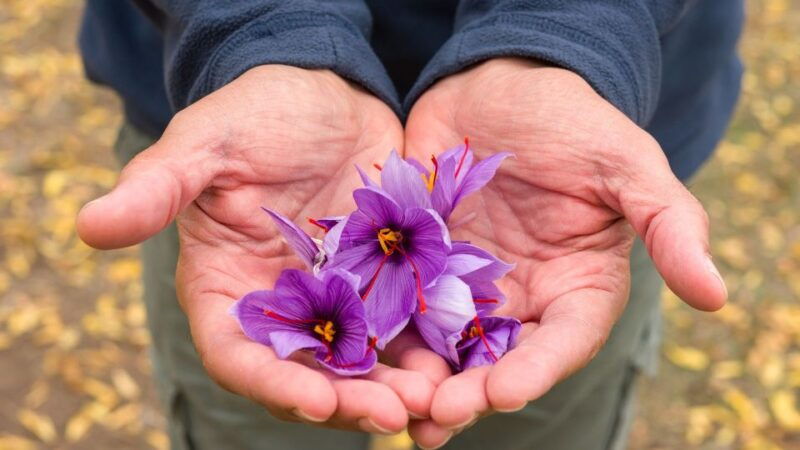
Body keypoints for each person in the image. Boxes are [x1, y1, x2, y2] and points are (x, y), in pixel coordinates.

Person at [76, 1, 743, 449]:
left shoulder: (432, 242)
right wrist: (264, 33)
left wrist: (562, 41)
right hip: (233, 152)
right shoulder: (369, 246)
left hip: (572, 174)